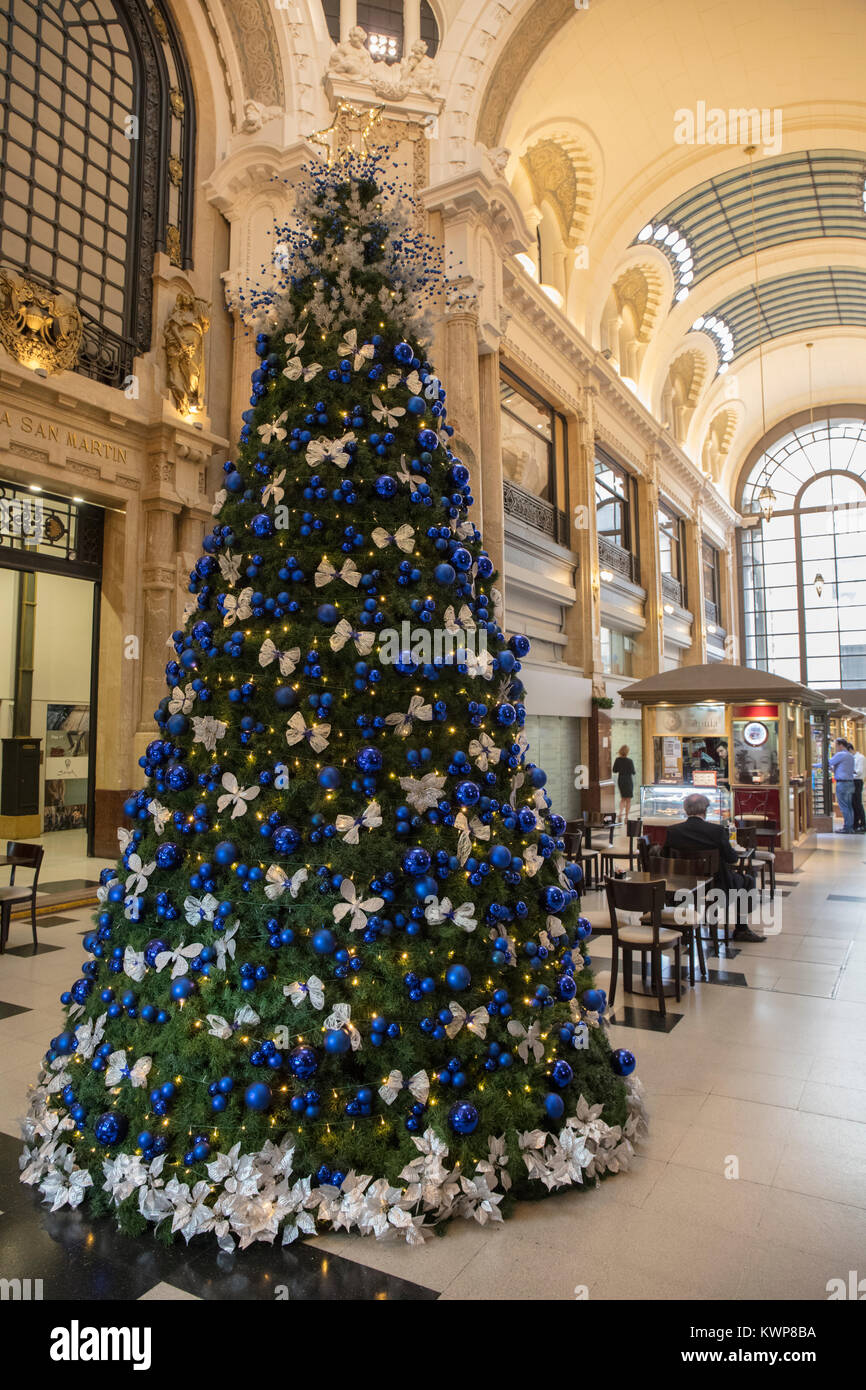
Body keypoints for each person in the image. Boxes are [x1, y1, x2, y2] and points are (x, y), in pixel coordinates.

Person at [664, 791, 764, 943]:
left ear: (685, 809)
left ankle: (682, 927)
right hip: (717, 885)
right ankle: (742, 929)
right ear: (705, 810)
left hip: (684, 885)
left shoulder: (673, 831)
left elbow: (666, 858)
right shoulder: (716, 831)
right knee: (748, 880)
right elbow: (731, 858)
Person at [829, 737, 856, 833]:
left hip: (842, 784)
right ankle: (850, 827)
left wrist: (813, 765)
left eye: (836, 745)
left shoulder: (840, 754)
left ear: (840, 745)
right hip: (850, 783)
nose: (835, 747)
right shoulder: (850, 755)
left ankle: (847, 828)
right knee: (849, 806)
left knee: (844, 806)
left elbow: (828, 762)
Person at [612, 745, 635, 824]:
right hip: (628, 780)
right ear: (627, 752)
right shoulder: (630, 761)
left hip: (621, 780)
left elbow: (614, 770)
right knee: (628, 800)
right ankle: (626, 817)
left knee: (623, 798)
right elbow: (633, 772)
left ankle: (620, 815)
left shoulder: (617, 760)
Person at [848, 741, 865, 832]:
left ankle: (863, 823)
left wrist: (849, 772)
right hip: (852, 781)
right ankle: (855, 823)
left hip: (857, 782)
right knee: (853, 803)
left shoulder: (861, 758)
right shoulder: (853, 758)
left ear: (850, 750)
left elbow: (859, 772)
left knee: (858, 803)